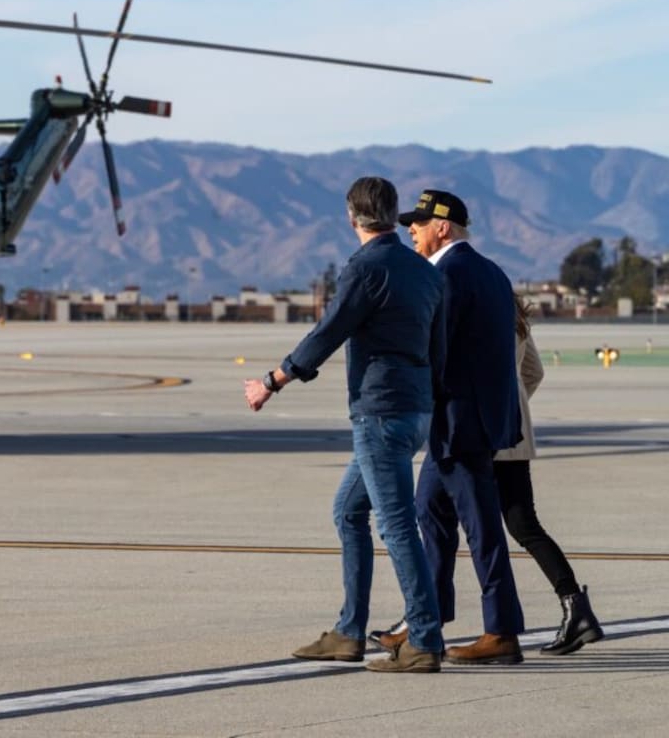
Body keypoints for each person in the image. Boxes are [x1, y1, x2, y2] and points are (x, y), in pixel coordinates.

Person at [244, 176, 446, 673]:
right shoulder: (423, 271)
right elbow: (439, 344)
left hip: (380, 412)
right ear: (394, 214)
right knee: (347, 512)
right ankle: (349, 632)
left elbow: (329, 331)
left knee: (397, 527)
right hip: (416, 409)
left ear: (351, 217)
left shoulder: (366, 268)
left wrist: (274, 379)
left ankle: (424, 639)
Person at [376, 190, 526, 665]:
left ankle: (501, 632)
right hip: (470, 421)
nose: (411, 231)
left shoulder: (446, 274)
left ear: (443, 227)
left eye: (418, 224)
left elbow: (435, 351)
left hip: (458, 425)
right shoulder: (492, 272)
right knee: (430, 511)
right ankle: (428, 618)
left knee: (481, 526)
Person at [494, 294, 603, 654]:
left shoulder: (471, 297)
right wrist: (512, 405)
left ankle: (427, 620)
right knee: (525, 525)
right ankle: (574, 606)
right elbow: (533, 372)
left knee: (441, 523)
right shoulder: (508, 307)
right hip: (514, 437)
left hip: (481, 437)